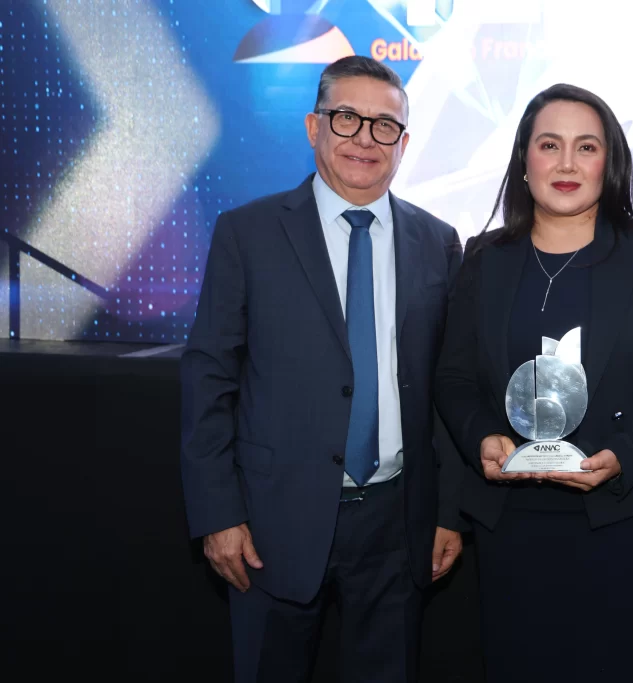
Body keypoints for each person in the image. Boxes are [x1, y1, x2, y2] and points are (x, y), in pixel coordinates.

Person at [180, 55, 465, 683]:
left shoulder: (439, 242)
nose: (365, 138)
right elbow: (209, 380)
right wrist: (218, 513)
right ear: (314, 127)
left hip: (399, 522)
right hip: (272, 521)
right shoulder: (247, 234)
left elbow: (447, 388)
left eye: (384, 125)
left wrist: (449, 511)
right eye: (346, 118)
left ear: (404, 143)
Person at [434, 83, 633, 683]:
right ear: (523, 159)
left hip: (620, 513)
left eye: (586, 147)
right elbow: (453, 376)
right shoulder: (484, 258)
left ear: (610, 162)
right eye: (549, 145)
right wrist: (481, 437)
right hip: (510, 518)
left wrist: (624, 454)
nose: (566, 164)